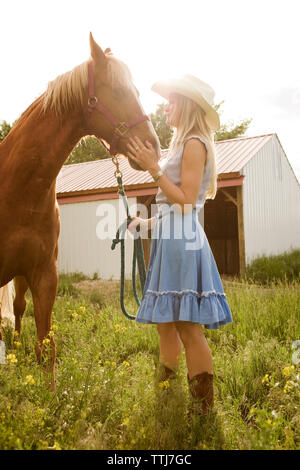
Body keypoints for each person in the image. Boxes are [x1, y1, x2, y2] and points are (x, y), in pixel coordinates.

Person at [126, 74, 233, 415]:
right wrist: (145, 223)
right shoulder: (185, 143)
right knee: (166, 324)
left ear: (185, 105)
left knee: (187, 326)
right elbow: (175, 211)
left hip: (183, 245)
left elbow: (186, 203)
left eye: (171, 101)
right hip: (173, 240)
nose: (166, 106)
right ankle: (167, 397)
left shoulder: (194, 144)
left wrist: (152, 169)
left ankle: (202, 409)